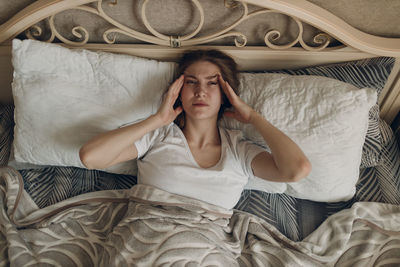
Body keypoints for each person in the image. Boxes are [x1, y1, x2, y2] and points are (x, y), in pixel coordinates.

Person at [79, 49, 311, 210]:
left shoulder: (239, 151)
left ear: (226, 95)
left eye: (212, 83)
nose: (200, 91)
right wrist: (157, 119)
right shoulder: (157, 137)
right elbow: (90, 157)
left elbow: (297, 170)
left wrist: (253, 117)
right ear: (178, 90)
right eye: (191, 82)